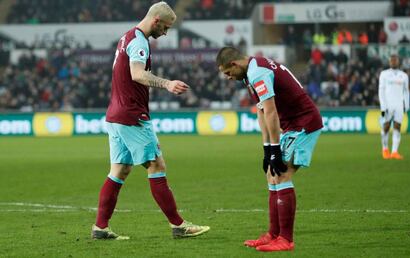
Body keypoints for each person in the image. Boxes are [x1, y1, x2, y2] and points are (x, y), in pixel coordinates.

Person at [92, 1, 210, 240]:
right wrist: (167, 83)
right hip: (131, 115)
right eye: (165, 27)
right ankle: (179, 225)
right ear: (156, 20)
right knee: (156, 165)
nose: (165, 33)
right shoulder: (139, 41)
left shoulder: (126, 37)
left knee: (120, 170)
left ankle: (100, 228)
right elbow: (137, 74)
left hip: (115, 114)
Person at [216, 47, 323, 252]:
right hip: (292, 124)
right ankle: (273, 235)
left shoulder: (258, 72)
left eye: (228, 73)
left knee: (282, 175)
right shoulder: (251, 73)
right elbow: (262, 110)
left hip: (304, 123)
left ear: (235, 64)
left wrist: (275, 149)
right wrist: (267, 149)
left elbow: (272, 111)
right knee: (272, 173)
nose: (228, 78)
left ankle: (286, 239)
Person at [378, 54, 410, 160]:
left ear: (398, 62)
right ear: (389, 62)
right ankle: (385, 149)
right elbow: (381, 91)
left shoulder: (404, 76)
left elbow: (406, 91)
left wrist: (407, 105)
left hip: (399, 105)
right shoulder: (384, 74)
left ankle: (394, 152)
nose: (393, 62)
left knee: (397, 127)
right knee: (386, 126)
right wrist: (383, 106)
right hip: (387, 105)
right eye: (391, 60)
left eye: (395, 60)